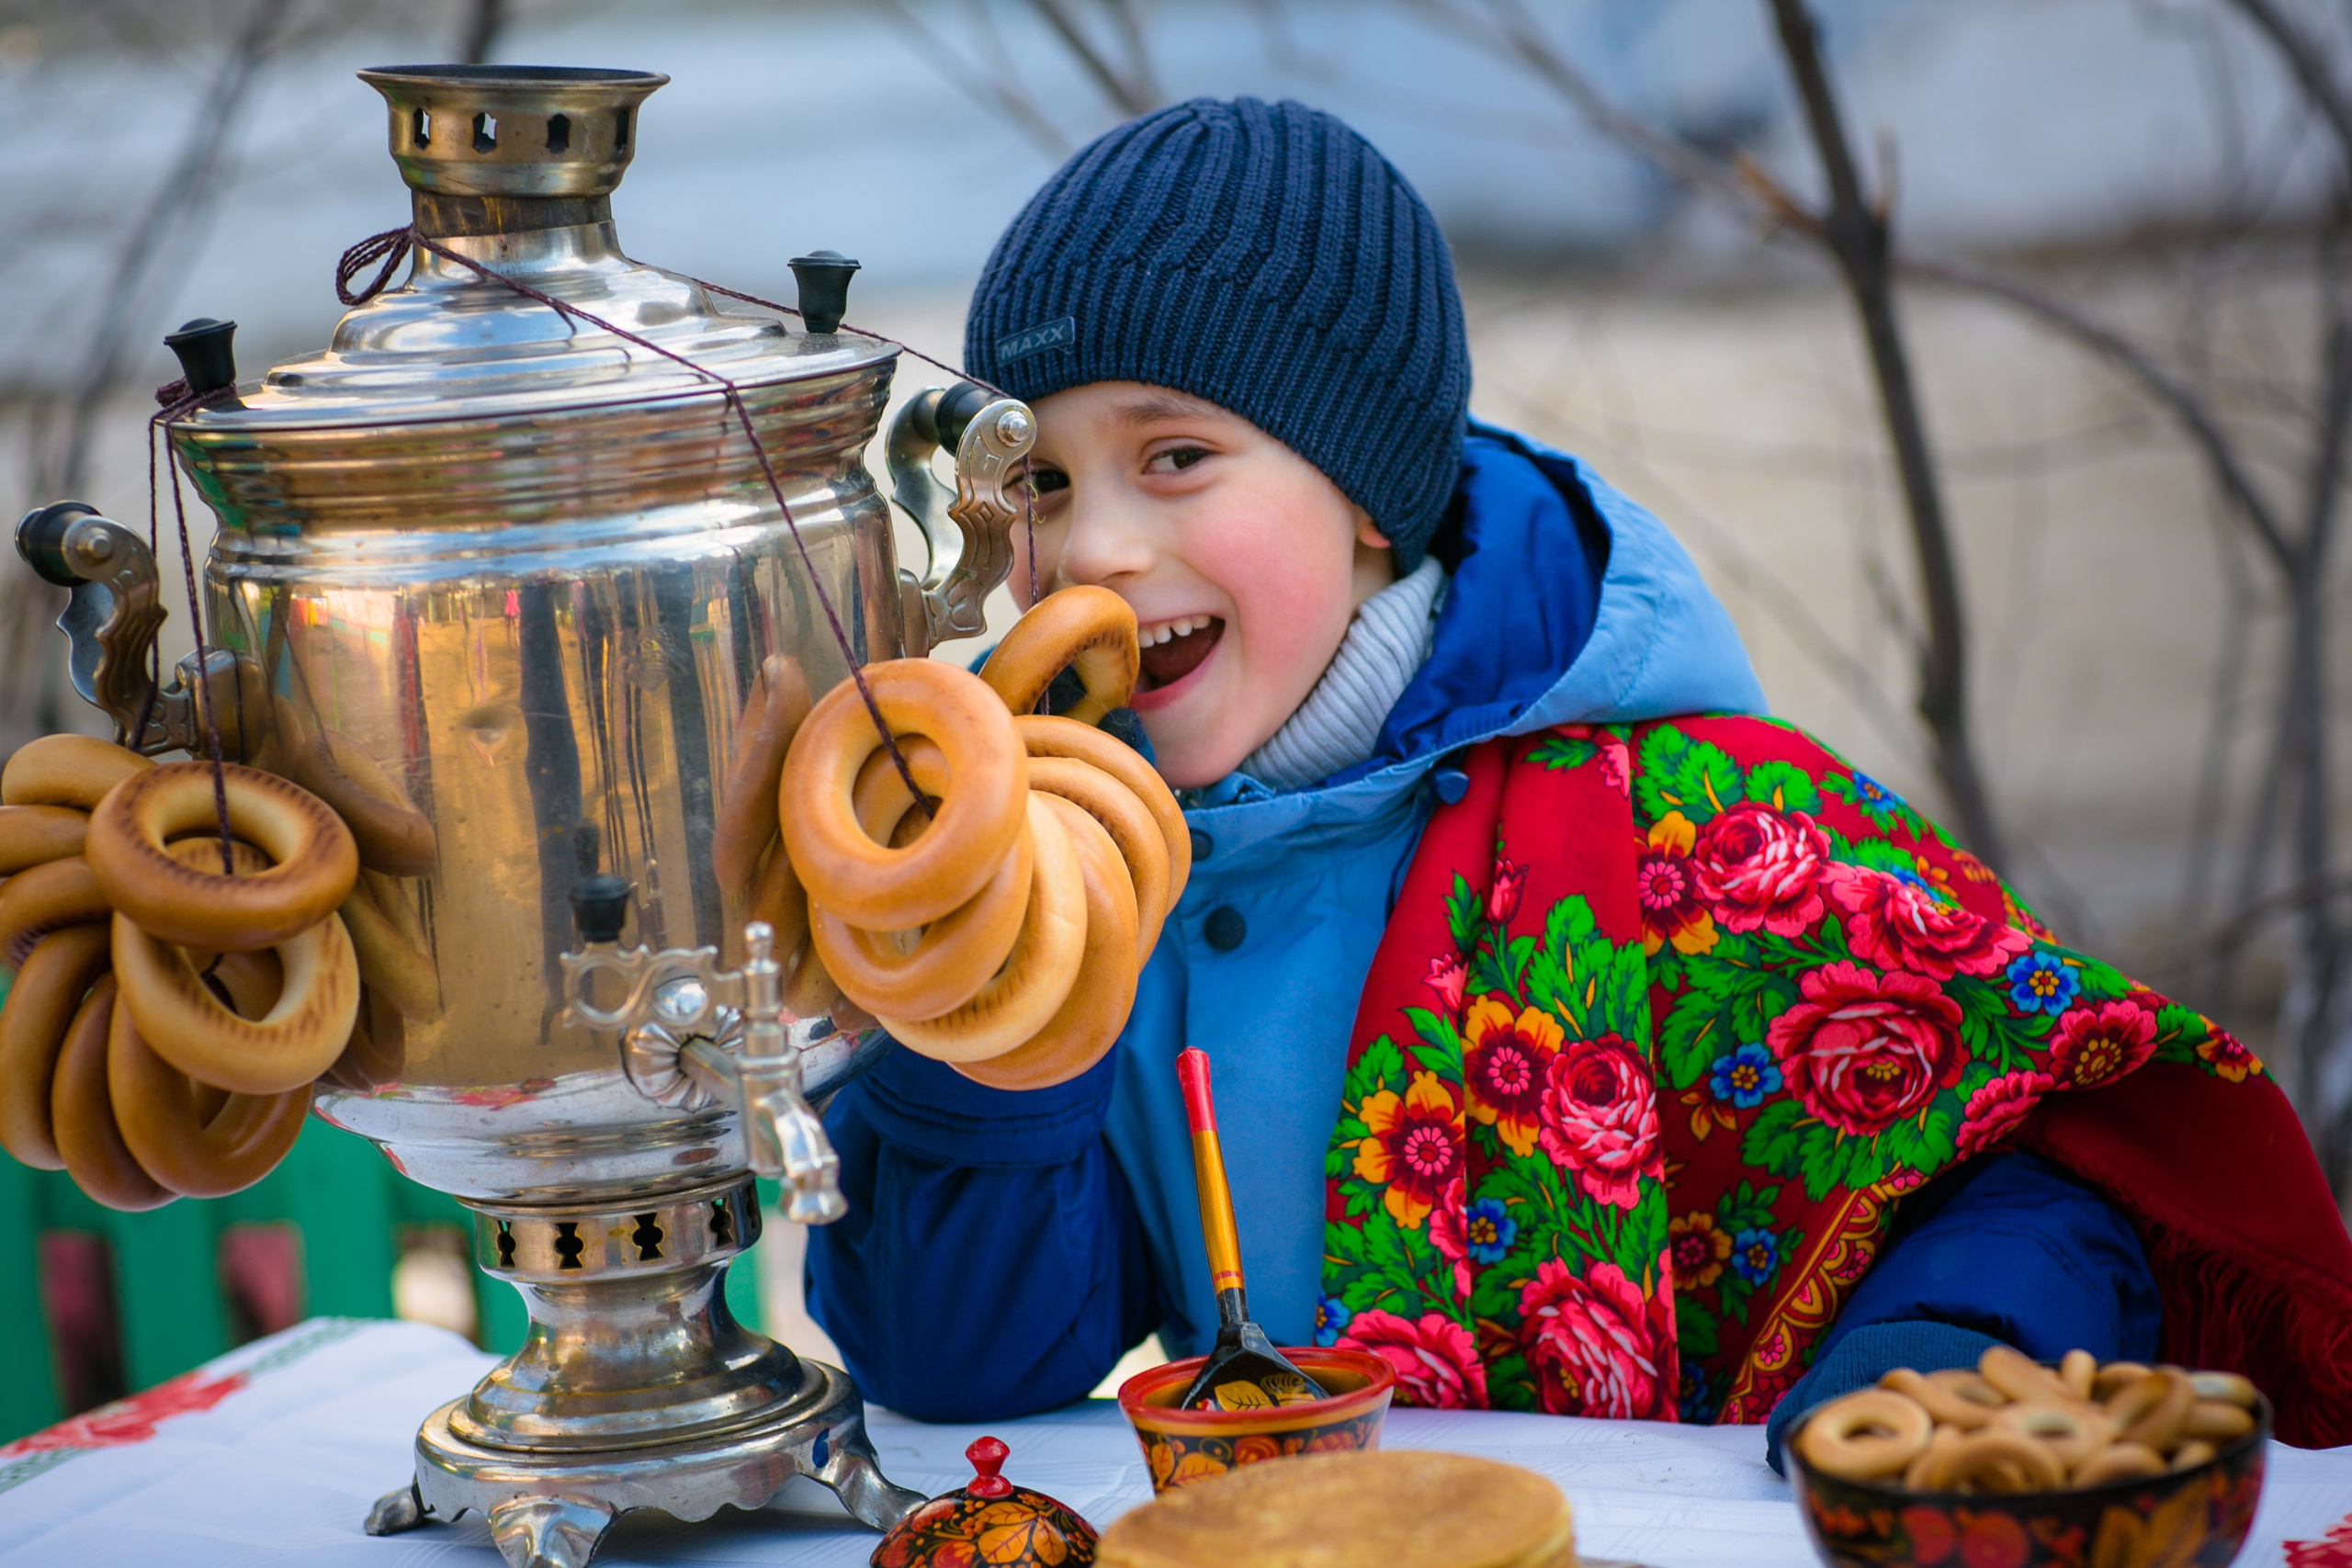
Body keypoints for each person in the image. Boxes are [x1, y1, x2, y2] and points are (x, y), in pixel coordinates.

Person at [807, 97, 2352, 1452]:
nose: (1092, 547)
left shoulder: (1693, 820)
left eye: (1176, 458)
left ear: (1368, 490)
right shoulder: (1088, 877)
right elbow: (965, 1366)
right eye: (1040, 482)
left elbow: (2041, 1156)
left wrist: (1924, 1366)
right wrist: (988, 994)